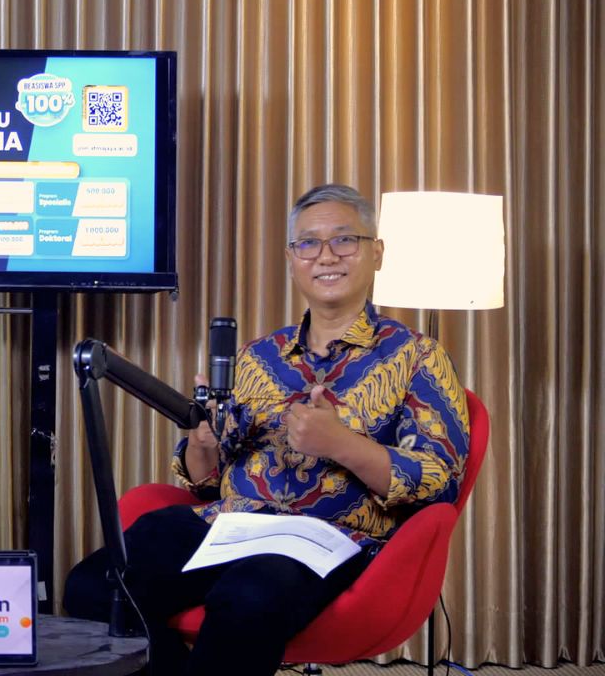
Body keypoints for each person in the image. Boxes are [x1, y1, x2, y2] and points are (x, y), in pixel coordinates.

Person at [64, 184, 470, 675]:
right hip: (230, 524)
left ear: (377, 253)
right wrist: (202, 444)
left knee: (248, 598)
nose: (326, 256)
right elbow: (205, 482)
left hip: (329, 538)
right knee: (91, 587)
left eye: (345, 240)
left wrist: (343, 445)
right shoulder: (256, 357)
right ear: (291, 259)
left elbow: (439, 482)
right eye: (308, 243)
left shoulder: (418, 357)